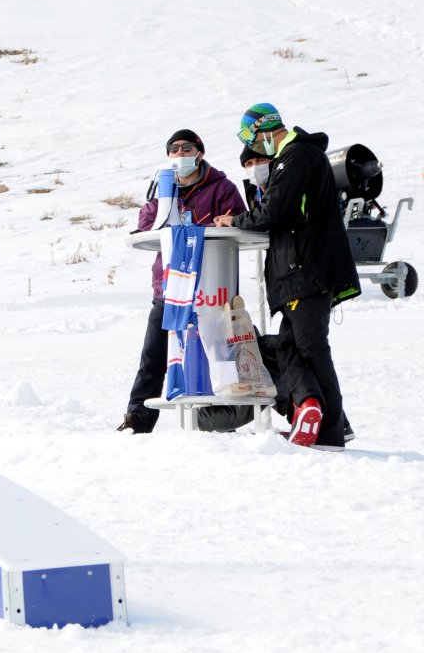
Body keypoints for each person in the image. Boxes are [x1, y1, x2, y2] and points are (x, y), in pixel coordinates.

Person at [214, 104, 359, 450]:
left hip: (306, 270)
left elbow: (273, 213)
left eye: (251, 138)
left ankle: (331, 430)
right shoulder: (291, 158)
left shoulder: (297, 156)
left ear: (266, 129)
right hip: (297, 272)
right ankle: (308, 411)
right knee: (289, 347)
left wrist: (232, 221)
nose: (253, 148)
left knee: (310, 349)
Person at [119, 129, 247, 433]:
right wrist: (165, 198)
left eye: (186, 148)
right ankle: (137, 421)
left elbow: (240, 222)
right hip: (170, 287)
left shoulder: (222, 188)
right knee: (154, 357)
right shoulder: (163, 188)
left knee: (219, 355)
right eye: (173, 150)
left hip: (212, 289)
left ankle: (220, 420)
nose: (179, 155)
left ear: (199, 152)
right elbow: (147, 226)